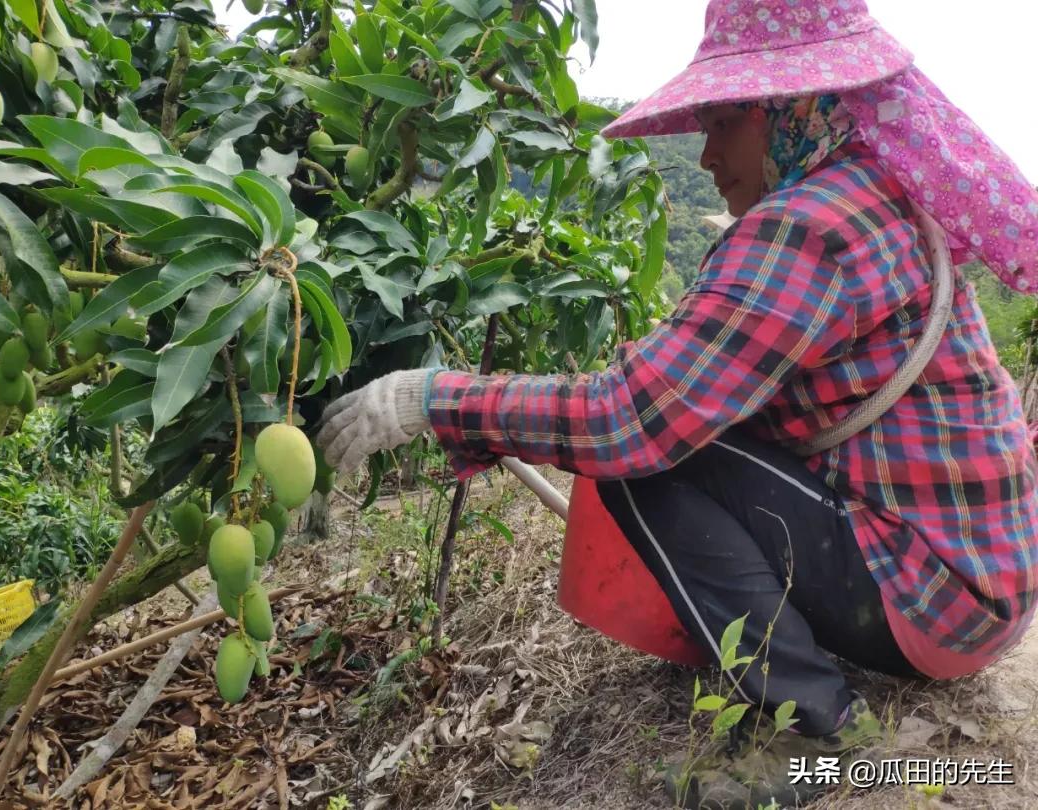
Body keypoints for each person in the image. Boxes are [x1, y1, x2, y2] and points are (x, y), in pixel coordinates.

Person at [317, 1, 1038, 806]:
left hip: (934, 596)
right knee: (660, 437)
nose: (704, 153)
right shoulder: (872, 192)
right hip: (977, 582)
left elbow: (627, 418)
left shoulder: (811, 225)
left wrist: (434, 399)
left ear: (791, 112)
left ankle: (819, 728)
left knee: (635, 460)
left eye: (725, 121)